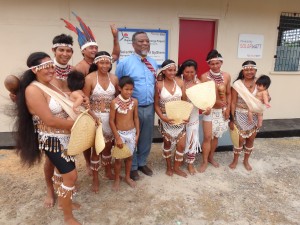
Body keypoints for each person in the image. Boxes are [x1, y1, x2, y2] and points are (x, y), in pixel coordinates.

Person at [15, 52, 81, 225]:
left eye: (52, 66)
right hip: (51, 140)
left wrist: (80, 97)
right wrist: (78, 123)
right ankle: (68, 218)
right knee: (71, 176)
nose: (52, 70)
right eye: (47, 67)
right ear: (36, 69)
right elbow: (49, 120)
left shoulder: (51, 83)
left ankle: (64, 204)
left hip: (66, 136)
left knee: (63, 172)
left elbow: (67, 96)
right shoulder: (33, 90)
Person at [116, 31, 158, 181]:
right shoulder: (125, 63)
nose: (145, 43)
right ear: (133, 44)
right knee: (131, 137)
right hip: (131, 108)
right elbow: (118, 84)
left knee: (146, 137)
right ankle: (132, 166)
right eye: (141, 41)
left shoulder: (153, 62)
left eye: (147, 41)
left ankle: (142, 163)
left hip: (149, 106)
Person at [83, 51, 119, 193]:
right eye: (102, 62)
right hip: (95, 118)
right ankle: (95, 179)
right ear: (96, 63)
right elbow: (85, 101)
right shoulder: (89, 78)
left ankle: (108, 172)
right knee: (96, 150)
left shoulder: (114, 79)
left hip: (110, 119)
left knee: (108, 147)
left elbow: (117, 98)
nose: (105, 65)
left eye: (107, 62)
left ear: (110, 63)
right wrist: (93, 116)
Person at [199, 49, 231, 172]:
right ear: (208, 64)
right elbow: (203, 97)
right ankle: (204, 161)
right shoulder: (204, 77)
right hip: (210, 110)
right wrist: (214, 103)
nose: (215, 66)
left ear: (221, 63)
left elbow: (228, 93)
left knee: (216, 136)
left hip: (222, 111)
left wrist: (227, 108)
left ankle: (211, 157)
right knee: (207, 137)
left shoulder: (226, 75)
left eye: (217, 63)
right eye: (212, 64)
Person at [154, 59, 188, 177]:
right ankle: (169, 167)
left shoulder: (180, 82)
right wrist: (163, 118)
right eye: (169, 70)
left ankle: (177, 168)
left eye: (174, 70)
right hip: (166, 120)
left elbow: (184, 101)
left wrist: (186, 116)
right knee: (167, 144)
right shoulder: (158, 84)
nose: (172, 72)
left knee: (181, 145)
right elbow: (156, 104)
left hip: (179, 119)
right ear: (163, 71)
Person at [177, 59, 211, 175]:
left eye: (192, 72)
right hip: (179, 115)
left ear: (195, 72)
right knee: (179, 140)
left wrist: (207, 109)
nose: (189, 74)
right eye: (187, 72)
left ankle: (190, 164)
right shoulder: (178, 82)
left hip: (193, 116)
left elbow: (205, 102)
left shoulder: (199, 84)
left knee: (192, 140)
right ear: (182, 71)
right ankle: (179, 159)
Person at [229, 60, 261, 171]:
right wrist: (231, 119)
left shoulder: (260, 83)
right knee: (239, 141)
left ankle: (246, 161)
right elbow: (232, 102)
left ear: (255, 70)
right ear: (243, 71)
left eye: (251, 69)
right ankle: (235, 160)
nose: (249, 72)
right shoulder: (237, 84)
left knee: (250, 140)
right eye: (247, 70)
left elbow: (266, 97)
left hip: (255, 116)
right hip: (239, 115)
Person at [109, 76, 140, 191]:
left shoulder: (134, 102)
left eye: (131, 89)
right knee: (118, 159)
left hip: (131, 133)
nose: (129, 92)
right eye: (126, 89)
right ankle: (117, 179)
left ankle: (127, 177)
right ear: (119, 88)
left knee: (130, 157)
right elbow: (111, 121)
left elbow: (136, 118)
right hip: (120, 134)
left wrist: (137, 134)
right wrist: (117, 137)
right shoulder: (114, 103)